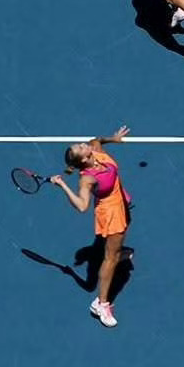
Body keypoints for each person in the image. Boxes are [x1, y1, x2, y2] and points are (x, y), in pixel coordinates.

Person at [50, 125, 132, 328]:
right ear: (83, 160)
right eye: (80, 147)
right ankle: (101, 305)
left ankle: (116, 252)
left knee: (122, 235)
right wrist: (63, 185)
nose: (83, 144)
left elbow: (97, 138)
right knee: (110, 259)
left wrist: (113, 139)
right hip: (110, 212)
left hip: (120, 199)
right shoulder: (86, 179)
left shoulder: (94, 149)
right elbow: (82, 206)